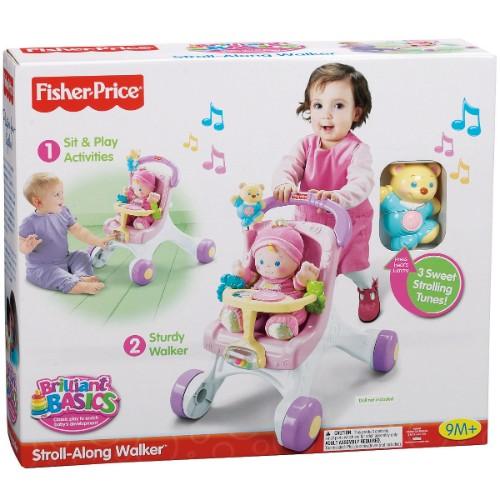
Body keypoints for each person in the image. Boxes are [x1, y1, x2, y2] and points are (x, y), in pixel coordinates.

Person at [273, 63, 379, 322]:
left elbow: (362, 182)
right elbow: (288, 166)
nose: (326, 115)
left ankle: (367, 287)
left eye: (338, 106)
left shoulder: (358, 150)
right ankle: (302, 301)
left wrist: (339, 197)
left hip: (350, 224)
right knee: (308, 266)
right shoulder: (304, 146)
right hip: (311, 223)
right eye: (318, 105)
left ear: (356, 112)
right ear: (309, 108)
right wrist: (284, 183)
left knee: (354, 267)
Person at [19, 173, 114, 295]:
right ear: (38, 202)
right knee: (53, 274)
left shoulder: (63, 212)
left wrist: (98, 241)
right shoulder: (29, 222)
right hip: (42, 267)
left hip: (65, 259)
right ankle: (78, 285)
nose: (62, 198)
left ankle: (82, 276)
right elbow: (20, 244)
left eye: (62, 193)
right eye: (57, 195)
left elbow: (79, 231)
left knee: (81, 255)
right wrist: (26, 247)